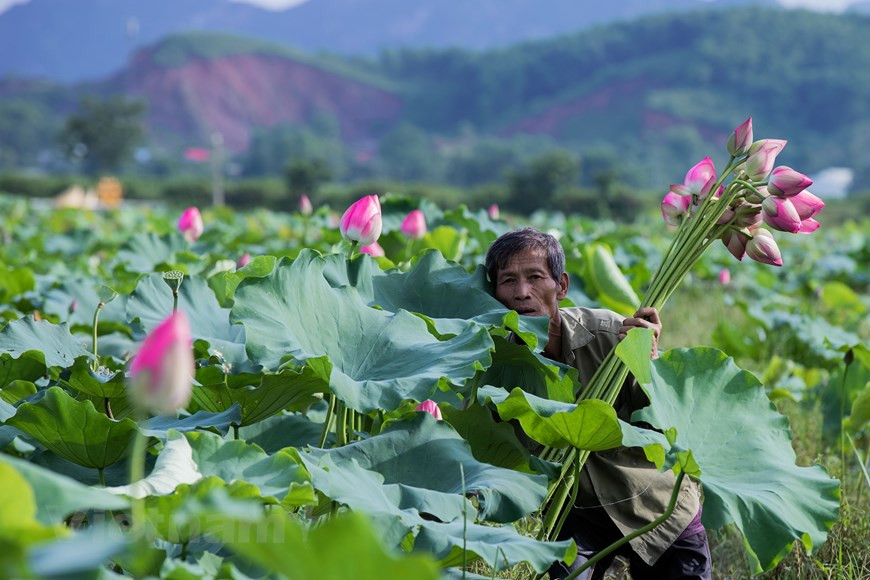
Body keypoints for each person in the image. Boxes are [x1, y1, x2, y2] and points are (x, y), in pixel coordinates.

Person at [485, 227, 711, 580]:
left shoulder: (610, 335)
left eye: (535, 277)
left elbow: (665, 416)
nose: (522, 293)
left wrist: (646, 362)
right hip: (576, 510)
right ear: (493, 292)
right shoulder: (491, 363)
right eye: (508, 281)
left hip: (654, 502)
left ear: (561, 286)